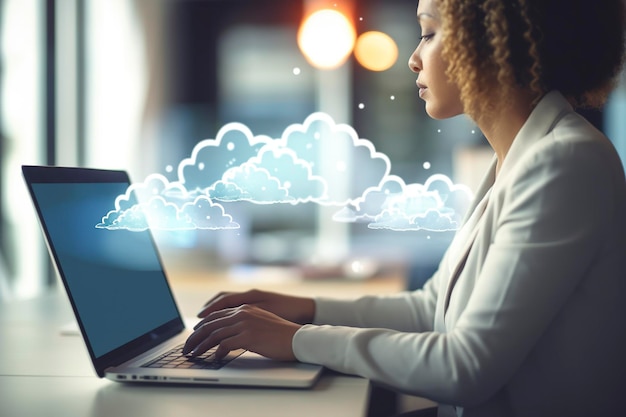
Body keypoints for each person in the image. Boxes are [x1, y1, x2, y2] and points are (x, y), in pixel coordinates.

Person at [183, 0, 626, 415]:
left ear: (494, 43)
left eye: (429, 33)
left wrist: (296, 339)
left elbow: (464, 366)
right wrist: (302, 308)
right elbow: (430, 309)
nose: (413, 59)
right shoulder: (518, 160)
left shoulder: (563, 163)